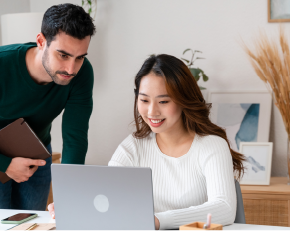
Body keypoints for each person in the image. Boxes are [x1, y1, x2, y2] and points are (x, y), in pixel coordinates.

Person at [48, 54, 246, 230]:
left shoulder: (212, 146)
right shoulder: (133, 146)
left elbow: (224, 208)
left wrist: (158, 220)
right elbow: (106, 194)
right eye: (144, 100)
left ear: (183, 100)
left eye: (163, 101)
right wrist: (75, 204)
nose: (152, 112)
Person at [0, 3, 96, 211]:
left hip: (36, 154)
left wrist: (68, 193)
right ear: (41, 42)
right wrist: (3, 163)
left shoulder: (82, 73)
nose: (71, 69)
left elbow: (75, 138)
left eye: (80, 57)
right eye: (63, 55)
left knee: (34, 225)